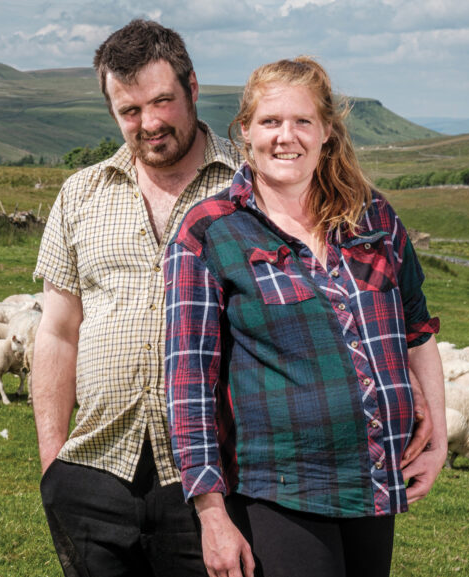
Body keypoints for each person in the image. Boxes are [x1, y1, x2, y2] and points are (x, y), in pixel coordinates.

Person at [163, 56, 447, 577]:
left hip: (372, 483)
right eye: (270, 122)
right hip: (279, 489)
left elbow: (418, 328)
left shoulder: (375, 219)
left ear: (327, 134)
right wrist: (211, 514)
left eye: (302, 122)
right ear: (245, 131)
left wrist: (439, 439)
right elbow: (188, 381)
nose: (285, 137)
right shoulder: (211, 232)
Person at [30, 19, 243, 576]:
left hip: (215, 480)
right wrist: (54, 465)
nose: (148, 123)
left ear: (193, 87)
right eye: (129, 111)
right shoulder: (82, 193)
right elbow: (57, 330)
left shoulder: (250, 187)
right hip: (94, 471)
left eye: (162, 101)